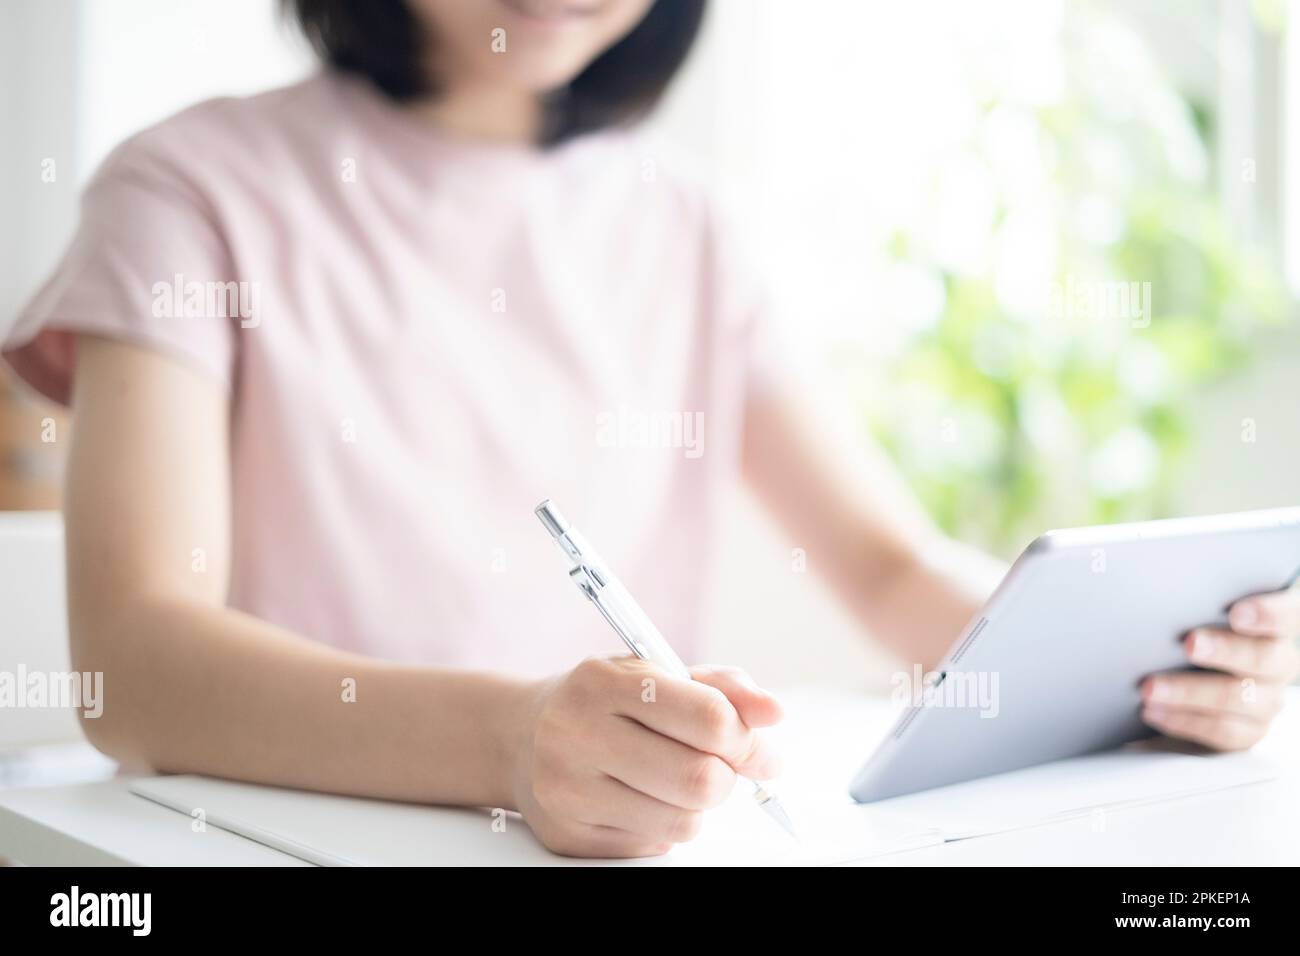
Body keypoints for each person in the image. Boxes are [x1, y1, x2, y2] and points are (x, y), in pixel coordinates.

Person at [4, 0, 1296, 858]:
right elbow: (138, 670)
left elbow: (892, 573)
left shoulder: (687, 223)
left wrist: (1134, 671)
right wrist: (515, 741)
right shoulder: (185, 189)